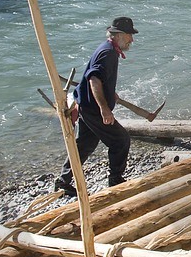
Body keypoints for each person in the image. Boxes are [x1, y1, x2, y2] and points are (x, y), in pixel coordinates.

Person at [57, 16, 142, 194]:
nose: (131, 39)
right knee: (120, 140)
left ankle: (63, 182)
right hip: (93, 109)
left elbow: (98, 78)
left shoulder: (108, 49)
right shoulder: (108, 53)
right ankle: (115, 179)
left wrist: (110, 93)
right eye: (129, 35)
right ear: (118, 35)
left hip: (87, 105)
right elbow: (94, 80)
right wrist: (104, 109)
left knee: (85, 144)